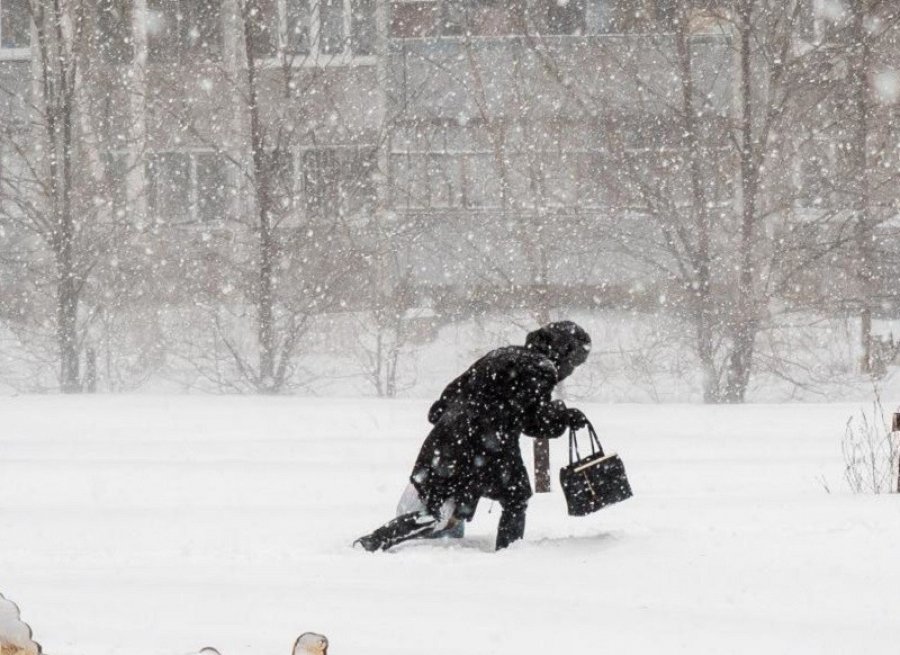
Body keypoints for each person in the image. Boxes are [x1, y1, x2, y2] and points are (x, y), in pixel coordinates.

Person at [355, 320, 591, 552]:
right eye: (575, 362)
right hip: (489, 443)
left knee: (439, 507)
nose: (571, 370)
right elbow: (532, 420)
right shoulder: (542, 368)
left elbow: (444, 401)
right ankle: (510, 553)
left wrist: (458, 424)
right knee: (516, 499)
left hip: (447, 439)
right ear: (564, 351)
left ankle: (377, 540)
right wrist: (563, 416)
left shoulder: (500, 354)